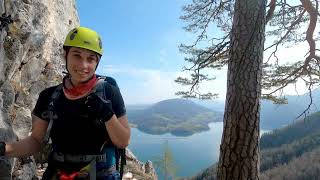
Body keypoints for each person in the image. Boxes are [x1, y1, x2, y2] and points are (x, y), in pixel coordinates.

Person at [0, 27, 131, 180]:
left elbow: (123, 141)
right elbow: (36, 141)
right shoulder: (49, 96)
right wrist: (4, 148)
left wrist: (108, 115)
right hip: (59, 172)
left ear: (97, 62)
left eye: (91, 59)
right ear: (65, 55)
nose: (83, 65)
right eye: (77, 55)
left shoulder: (109, 93)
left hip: (99, 173)